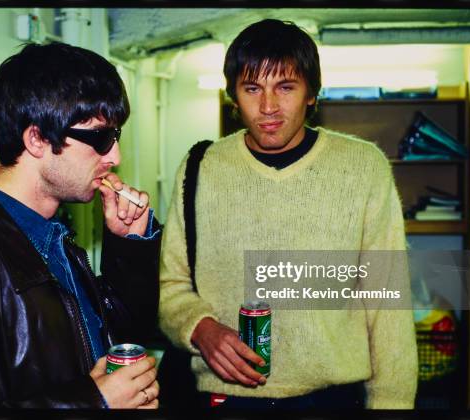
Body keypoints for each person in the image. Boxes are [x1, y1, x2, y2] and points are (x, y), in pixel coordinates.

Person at [159, 19, 418, 409]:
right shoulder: (201, 168)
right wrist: (200, 328)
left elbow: (386, 306)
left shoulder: (364, 168)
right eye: (252, 89)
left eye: (285, 87)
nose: (267, 107)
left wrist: (392, 404)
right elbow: (171, 285)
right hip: (225, 399)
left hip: (332, 400)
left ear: (311, 93)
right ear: (233, 96)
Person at [0, 42, 161, 409]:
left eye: (115, 138)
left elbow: (122, 336)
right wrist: (88, 401)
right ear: (36, 139)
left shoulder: (52, 240)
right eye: (101, 138)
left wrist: (129, 245)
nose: (116, 156)